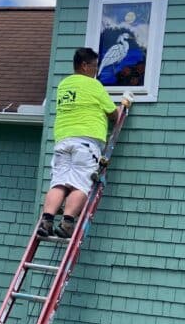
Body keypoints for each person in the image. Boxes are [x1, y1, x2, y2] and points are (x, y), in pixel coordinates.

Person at [36, 47, 121, 239]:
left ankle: (46, 221)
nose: (96, 70)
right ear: (84, 66)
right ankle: (67, 224)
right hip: (86, 143)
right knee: (79, 185)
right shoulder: (94, 85)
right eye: (94, 66)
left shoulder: (64, 85)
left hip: (63, 141)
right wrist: (119, 109)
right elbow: (114, 115)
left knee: (58, 183)